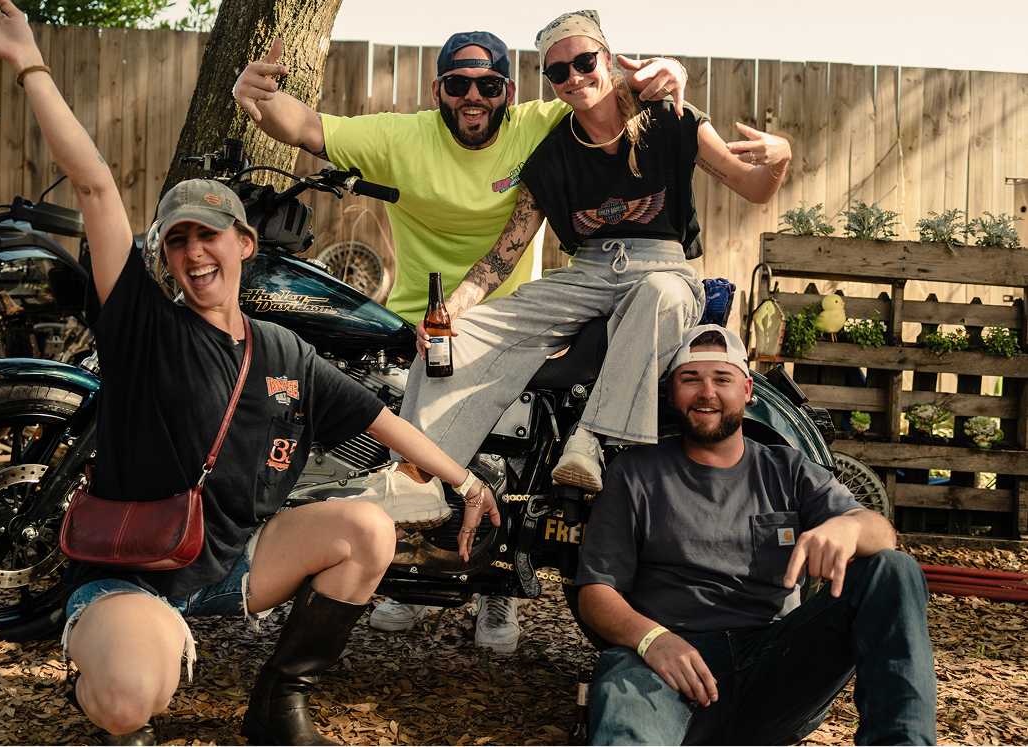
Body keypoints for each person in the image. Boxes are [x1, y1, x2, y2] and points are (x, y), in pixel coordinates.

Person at [0, 3, 492, 745]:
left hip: (231, 565)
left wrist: (467, 481)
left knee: (365, 527)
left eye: (210, 234)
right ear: (164, 257)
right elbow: (95, 185)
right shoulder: (143, 327)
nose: (195, 252)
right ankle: (115, 677)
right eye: (179, 240)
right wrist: (28, 63)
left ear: (245, 243)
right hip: (132, 572)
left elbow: (379, 420)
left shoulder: (283, 350)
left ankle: (278, 703)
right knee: (129, 693)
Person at [234, 28, 689, 652]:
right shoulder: (402, 137)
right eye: (458, 84)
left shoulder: (542, 118)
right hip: (414, 319)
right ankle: (394, 574)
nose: (473, 96)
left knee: (496, 456)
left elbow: (612, 91)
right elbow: (309, 128)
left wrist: (668, 71)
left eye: (489, 85)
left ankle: (498, 594)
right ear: (438, 89)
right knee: (397, 443)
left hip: (517, 318)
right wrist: (253, 96)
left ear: (509, 91)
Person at [392, 10, 791, 543]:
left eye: (585, 62)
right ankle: (416, 475)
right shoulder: (552, 154)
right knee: (457, 337)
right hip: (587, 273)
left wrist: (781, 156)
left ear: (608, 58)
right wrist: (451, 310)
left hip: (661, 265)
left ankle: (592, 441)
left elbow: (757, 188)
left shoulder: (669, 120)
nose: (575, 77)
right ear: (550, 84)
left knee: (662, 294)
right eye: (559, 72)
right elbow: (501, 258)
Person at [576, 324, 937, 745]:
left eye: (722, 379)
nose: (706, 392)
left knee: (892, 569)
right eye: (690, 379)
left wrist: (847, 525)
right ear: (673, 391)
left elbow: (882, 534)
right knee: (623, 703)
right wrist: (652, 640)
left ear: (747, 390)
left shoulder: (789, 469)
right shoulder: (635, 473)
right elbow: (595, 592)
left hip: (774, 665)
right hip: (665, 668)